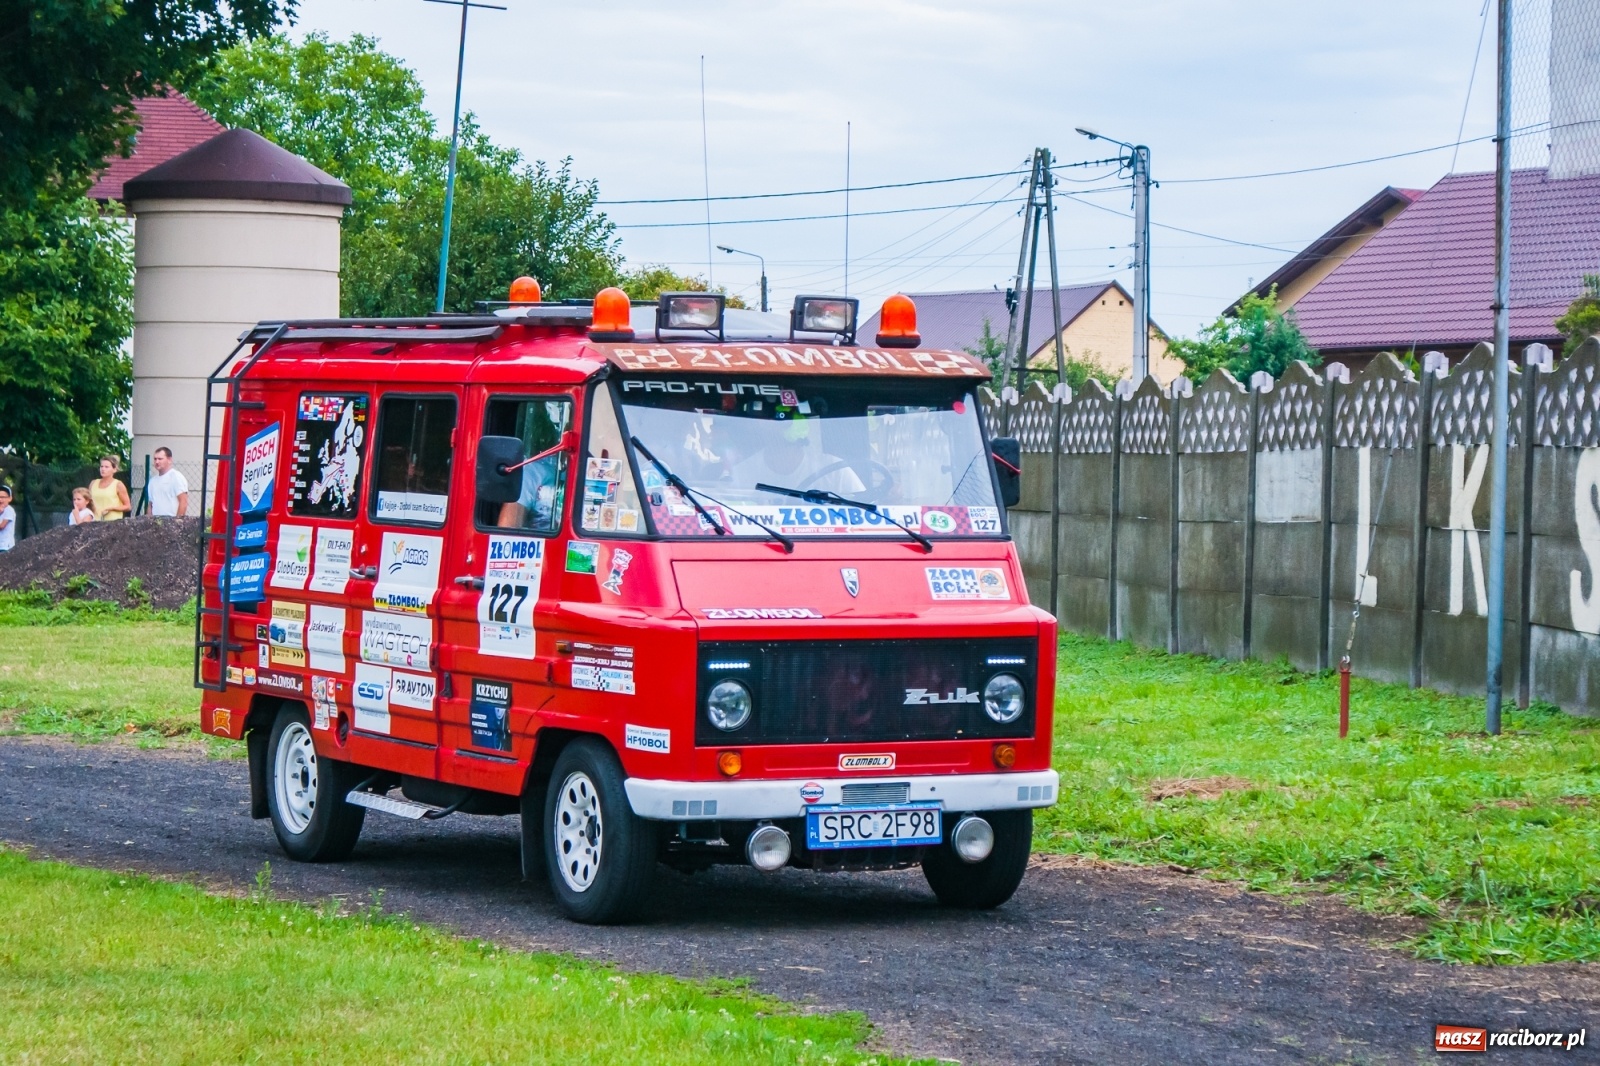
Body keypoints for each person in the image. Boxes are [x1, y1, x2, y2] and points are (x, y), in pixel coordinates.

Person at [147, 446, 189, 518]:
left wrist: (177, 522)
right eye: (155, 459)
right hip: (155, 524)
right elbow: (151, 505)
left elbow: (183, 501)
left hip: (171, 523)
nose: (157, 462)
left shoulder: (176, 477)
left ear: (169, 460)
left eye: (160, 459)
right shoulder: (152, 481)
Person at [90, 456, 131, 521]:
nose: (103, 469)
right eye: (101, 466)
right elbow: (88, 501)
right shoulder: (93, 483)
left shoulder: (118, 484)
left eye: (106, 467)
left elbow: (128, 506)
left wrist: (111, 509)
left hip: (112, 522)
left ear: (114, 469)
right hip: (94, 521)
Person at [0, 484, 14, 552]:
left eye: (3, 497)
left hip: (5, 546)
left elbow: (2, 526)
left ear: (9, 498)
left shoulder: (9, 510)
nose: (0, 500)